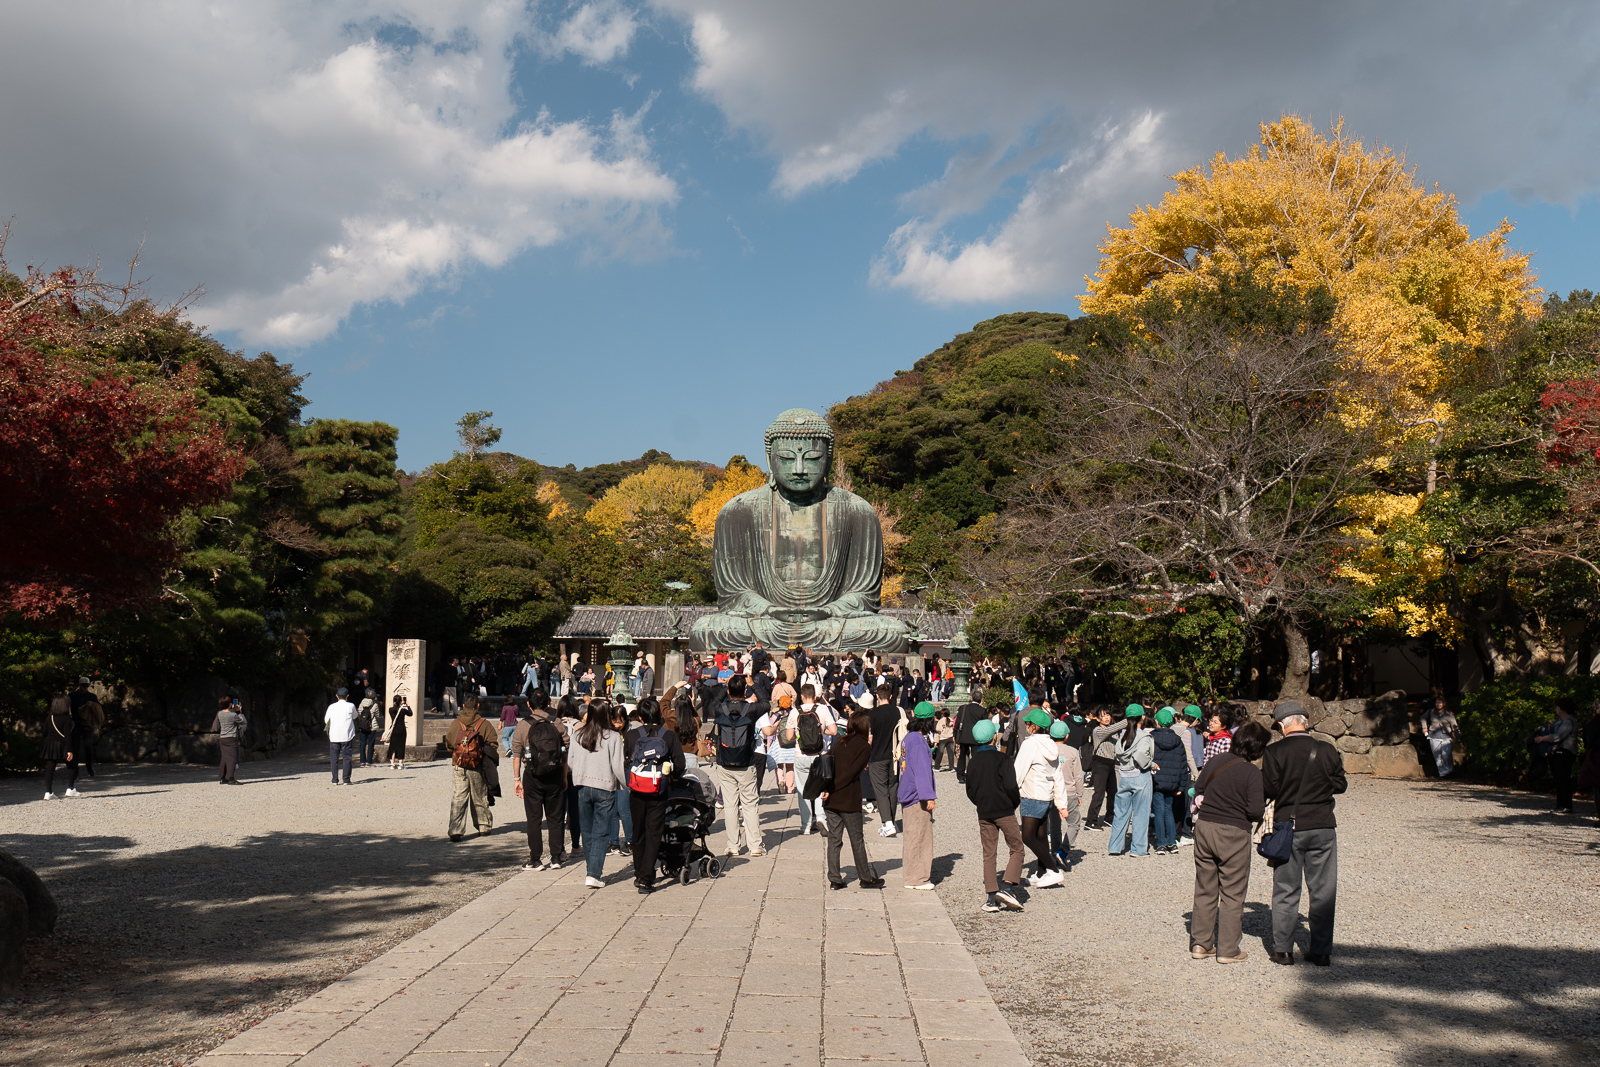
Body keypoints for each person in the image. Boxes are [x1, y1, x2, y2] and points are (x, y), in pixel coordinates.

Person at [1262, 699, 1349, 967]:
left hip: (1289, 825)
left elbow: (1269, 790)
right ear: (1306, 722)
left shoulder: (1274, 752)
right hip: (1323, 825)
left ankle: (1284, 950)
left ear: (1280, 725)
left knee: (1286, 889)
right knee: (1323, 889)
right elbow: (1340, 785)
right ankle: (1321, 951)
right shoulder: (1327, 749)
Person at [1190, 721, 1269, 965]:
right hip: (1233, 832)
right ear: (1257, 750)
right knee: (1233, 893)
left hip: (1205, 827)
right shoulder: (1252, 773)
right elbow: (1256, 810)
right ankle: (1227, 949)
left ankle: (1201, 944)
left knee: (1205, 887)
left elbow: (1199, 788)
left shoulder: (1216, 761)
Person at [627, 697, 686, 894]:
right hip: (658, 790)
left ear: (640, 716)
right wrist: (671, 778)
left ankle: (638, 872)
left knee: (638, 832)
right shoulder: (669, 736)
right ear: (659, 714)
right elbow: (680, 765)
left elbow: (626, 762)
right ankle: (646, 879)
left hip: (636, 789)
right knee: (654, 833)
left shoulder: (631, 736)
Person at [966, 718, 1025, 912]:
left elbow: (970, 790)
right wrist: (1013, 803)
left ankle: (991, 896)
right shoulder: (1003, 759)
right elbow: (1010, 785)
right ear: (994, 737)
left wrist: (980, 803)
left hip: (984, 812)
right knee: (1016, 848)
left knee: (989, 853)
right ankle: (1008, 886)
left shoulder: (973, 762)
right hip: (1004, 809)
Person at [821, 709, 884, 890]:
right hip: (848, 798)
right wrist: (832, 787)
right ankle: (865, 877)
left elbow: (827, 763)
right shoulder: (864, 746)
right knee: (856, 838)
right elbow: (851, 773)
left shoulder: (841, 741)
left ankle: (834, 878)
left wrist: (825, 787)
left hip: (831, 799)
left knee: (834, 839)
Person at [568, 700, 626, 888]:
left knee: (587, 831)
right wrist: (626, 785)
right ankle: (594, 873)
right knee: (601, 832)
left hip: (583, 785)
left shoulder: (578, 735)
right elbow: (617, 766)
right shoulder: (612, 737)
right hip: (604, 786)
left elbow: (570, 761)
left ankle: (590, 870)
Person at [1013, 708, 1070, 888]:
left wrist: (1010, 793)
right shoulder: (1052, 745)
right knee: (1041, 835)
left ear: (1035, 727)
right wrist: (1061, 803)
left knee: (1028, 837)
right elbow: (1058, 776)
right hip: (1046, 796)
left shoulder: (1030, 744)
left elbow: (1018, 771)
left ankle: (1053, 870)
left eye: (1028, 724)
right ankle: (1041, 872)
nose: (1027, 726)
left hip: (1032, 795)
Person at [711, 674, 767, 856]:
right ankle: (755, 845)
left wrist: (723, 689)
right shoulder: (750, 710)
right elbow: (766, 703)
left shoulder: (721, 709)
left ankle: (733, 845)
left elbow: (712, 703)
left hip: (725, 763)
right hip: (746, 762)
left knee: (730, 805)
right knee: (750, 804)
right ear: (745, 691)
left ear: (729, 691)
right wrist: (754, 685)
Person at [512, 690, 568, 870]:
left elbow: (516, 754)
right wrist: (564, 775)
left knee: (534, 818)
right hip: (555, 774)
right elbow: (565, 751)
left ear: (529, 704)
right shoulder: (556, 722)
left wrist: (516, 779)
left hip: (532, 775)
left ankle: (535, 859)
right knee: (555, 818)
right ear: (548, 704)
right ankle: (556, 857)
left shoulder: (523, 725)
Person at [443, 696, 500, 840]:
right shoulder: (484, 724)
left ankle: (456, 830)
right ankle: (484, 826)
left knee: (458, 797)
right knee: (479, 796)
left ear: (463, 705)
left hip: (459, 764)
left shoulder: (456, 723)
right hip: (477, 765)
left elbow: (449, 743)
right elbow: (493, 744)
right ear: (478, 706)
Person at [898, 702, 939, 890]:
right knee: (920, 836)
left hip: (907, 791)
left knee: (911, 835)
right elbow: (922, 772)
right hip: (917, 796)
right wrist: (928, 796)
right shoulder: (919, 743)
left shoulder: (909, 737)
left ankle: (911, 874)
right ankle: (917, 878)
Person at [789, 684, 838, 836]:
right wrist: (821, 730)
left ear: (802, 696)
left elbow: (789, 737)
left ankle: (806, 825)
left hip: (801, 755)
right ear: (815, 696)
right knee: (819, 787)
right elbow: (834, 731)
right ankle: (821, 817)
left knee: (803, 790)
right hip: (819, 754)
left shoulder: (794, 712)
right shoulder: (823, 710)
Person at [1107, 705, 1155, 857]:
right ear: (1142, 717)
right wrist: (1150, 764)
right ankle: (1138, 849)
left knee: (1121, 813)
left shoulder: (1122, 735)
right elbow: (1141, 754)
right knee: (1141, 813)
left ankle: (1115, 846)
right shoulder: (1144, 736)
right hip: (1140, 775)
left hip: (1124, 776)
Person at [1150, 707, 1192, 855]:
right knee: (1168, 810)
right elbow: (1183, 763)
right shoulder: (1178, 739)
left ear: (1157, 721)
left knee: (1158, 810)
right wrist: (1182, 784)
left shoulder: (1151, 738)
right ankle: (1172, 842)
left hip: (1156, 780)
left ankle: (1161, 843)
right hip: (1173, 781)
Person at [1046, 719, 1084, 867]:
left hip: (1052, 793)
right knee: (1074, 823)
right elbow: (1078, 776)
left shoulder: (1047, 750)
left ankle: (1055, 853)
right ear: (1067, 736)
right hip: (1069, 792)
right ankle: (1063, 850)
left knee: (1055, 826)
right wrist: (1080, 794)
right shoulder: (1073, 751)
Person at [867, 684, 903, 838]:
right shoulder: (897, 711)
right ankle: (891, 820)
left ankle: (887, 822)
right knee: (893, 787)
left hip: (877, 755)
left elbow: (870, 737)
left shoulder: (873, 714)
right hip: (893, 755)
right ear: (890, 696)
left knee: (880, 790)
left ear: (877, 696)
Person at [1085, 708, 1129, 830]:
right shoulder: (1098, 730)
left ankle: (1109, 817)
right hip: (1100, 763)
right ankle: (1091, 821)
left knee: (1113, 792)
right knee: (1099, 793)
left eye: (1108, 715)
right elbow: (1110, 729)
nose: (1106, 718)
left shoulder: (1113, 731)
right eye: (1103, 716)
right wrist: (1128, 720)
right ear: (1098, 719)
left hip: (1111, 763)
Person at [1532, 700, 1579, 813]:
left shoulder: (1568, 721)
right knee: (1558, 778)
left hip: (1564, 752)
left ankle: (1566, 805)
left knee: (1563, 778)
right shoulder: (1559, 721)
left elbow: (1558, 736)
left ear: (1563, 709)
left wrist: (1543, 738)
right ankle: (1560, 804)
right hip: (1556, 753)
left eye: (1558, 707)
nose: (1556, 709)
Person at [40, 695, 79, 800]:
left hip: (50, 744)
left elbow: (44, 731)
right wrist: (70, 750)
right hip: (63, 744)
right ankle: (70, 788)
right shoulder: (67, 718)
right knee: (71, 765)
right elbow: (67, 735)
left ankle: (48, 792)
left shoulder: (50, 717)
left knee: (50, 768)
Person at [1421, 687, 1461, 778]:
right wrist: (1425, 728)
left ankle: (1448, 771)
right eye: (1437, 703)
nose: (1438, 704)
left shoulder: (1449, 714)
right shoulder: (1431, 712)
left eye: (1440, 703)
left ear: (1443, 704)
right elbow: (1423, 718)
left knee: (1446, 755)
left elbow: (1455, 726)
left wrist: (1458, 736)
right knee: (1437, 756)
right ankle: (1443, 773)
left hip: (1446, 736)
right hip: (1434, 736)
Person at [210, 695, 247, 785]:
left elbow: (216, 727)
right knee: (232, 758)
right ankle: (230, 778)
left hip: (223, 738)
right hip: (231, 738)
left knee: (225, 758)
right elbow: (242, 721)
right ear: (230, 704)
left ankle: (223, 777)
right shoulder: (233, 715)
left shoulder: (219, 713)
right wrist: (239, 712)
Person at [325, 687, 357, 786]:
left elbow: (326, 720)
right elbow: (355, 716)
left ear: (336, 696)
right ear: (347, 696)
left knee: (334, 759)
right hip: (346, 735)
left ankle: (335, 780)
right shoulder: (350, 706)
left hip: (334, 736)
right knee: (346, 758)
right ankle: (346, 780)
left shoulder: (331, 707)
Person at [383, 694, 413, 768]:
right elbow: (410, 713)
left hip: (394, 729)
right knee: (401, 746)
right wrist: (407, 704)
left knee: (392, 746)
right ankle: (400, 764)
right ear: (400, 701)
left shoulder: (390, 710)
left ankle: (392, 764)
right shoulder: (402, 710)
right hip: (402, 728)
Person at [355, 688, 381, 766]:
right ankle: (369, 761)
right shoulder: (375, 705)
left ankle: (362, 761)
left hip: (363, 726)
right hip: (372, 726)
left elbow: (359, 713)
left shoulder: (361, 703)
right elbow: (378, 715)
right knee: (370, 744)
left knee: (362, 743)